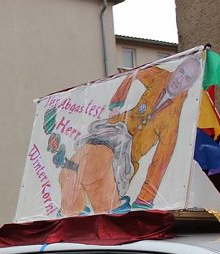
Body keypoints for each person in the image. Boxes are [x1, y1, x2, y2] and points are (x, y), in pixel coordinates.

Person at [58, 56, 203, 216]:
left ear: (189, 86)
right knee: (69, 171)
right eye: (181, 71)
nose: (179, 79)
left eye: (187, 78)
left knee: (94, 164)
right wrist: (117, 102)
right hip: (112, 131)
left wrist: (144, 200)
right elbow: (133, 74)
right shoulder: (158, 76)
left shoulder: (173, 118)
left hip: (125, 156)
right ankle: (77, 212)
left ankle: (107, 210)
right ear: (176, 69)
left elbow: (161, 161)